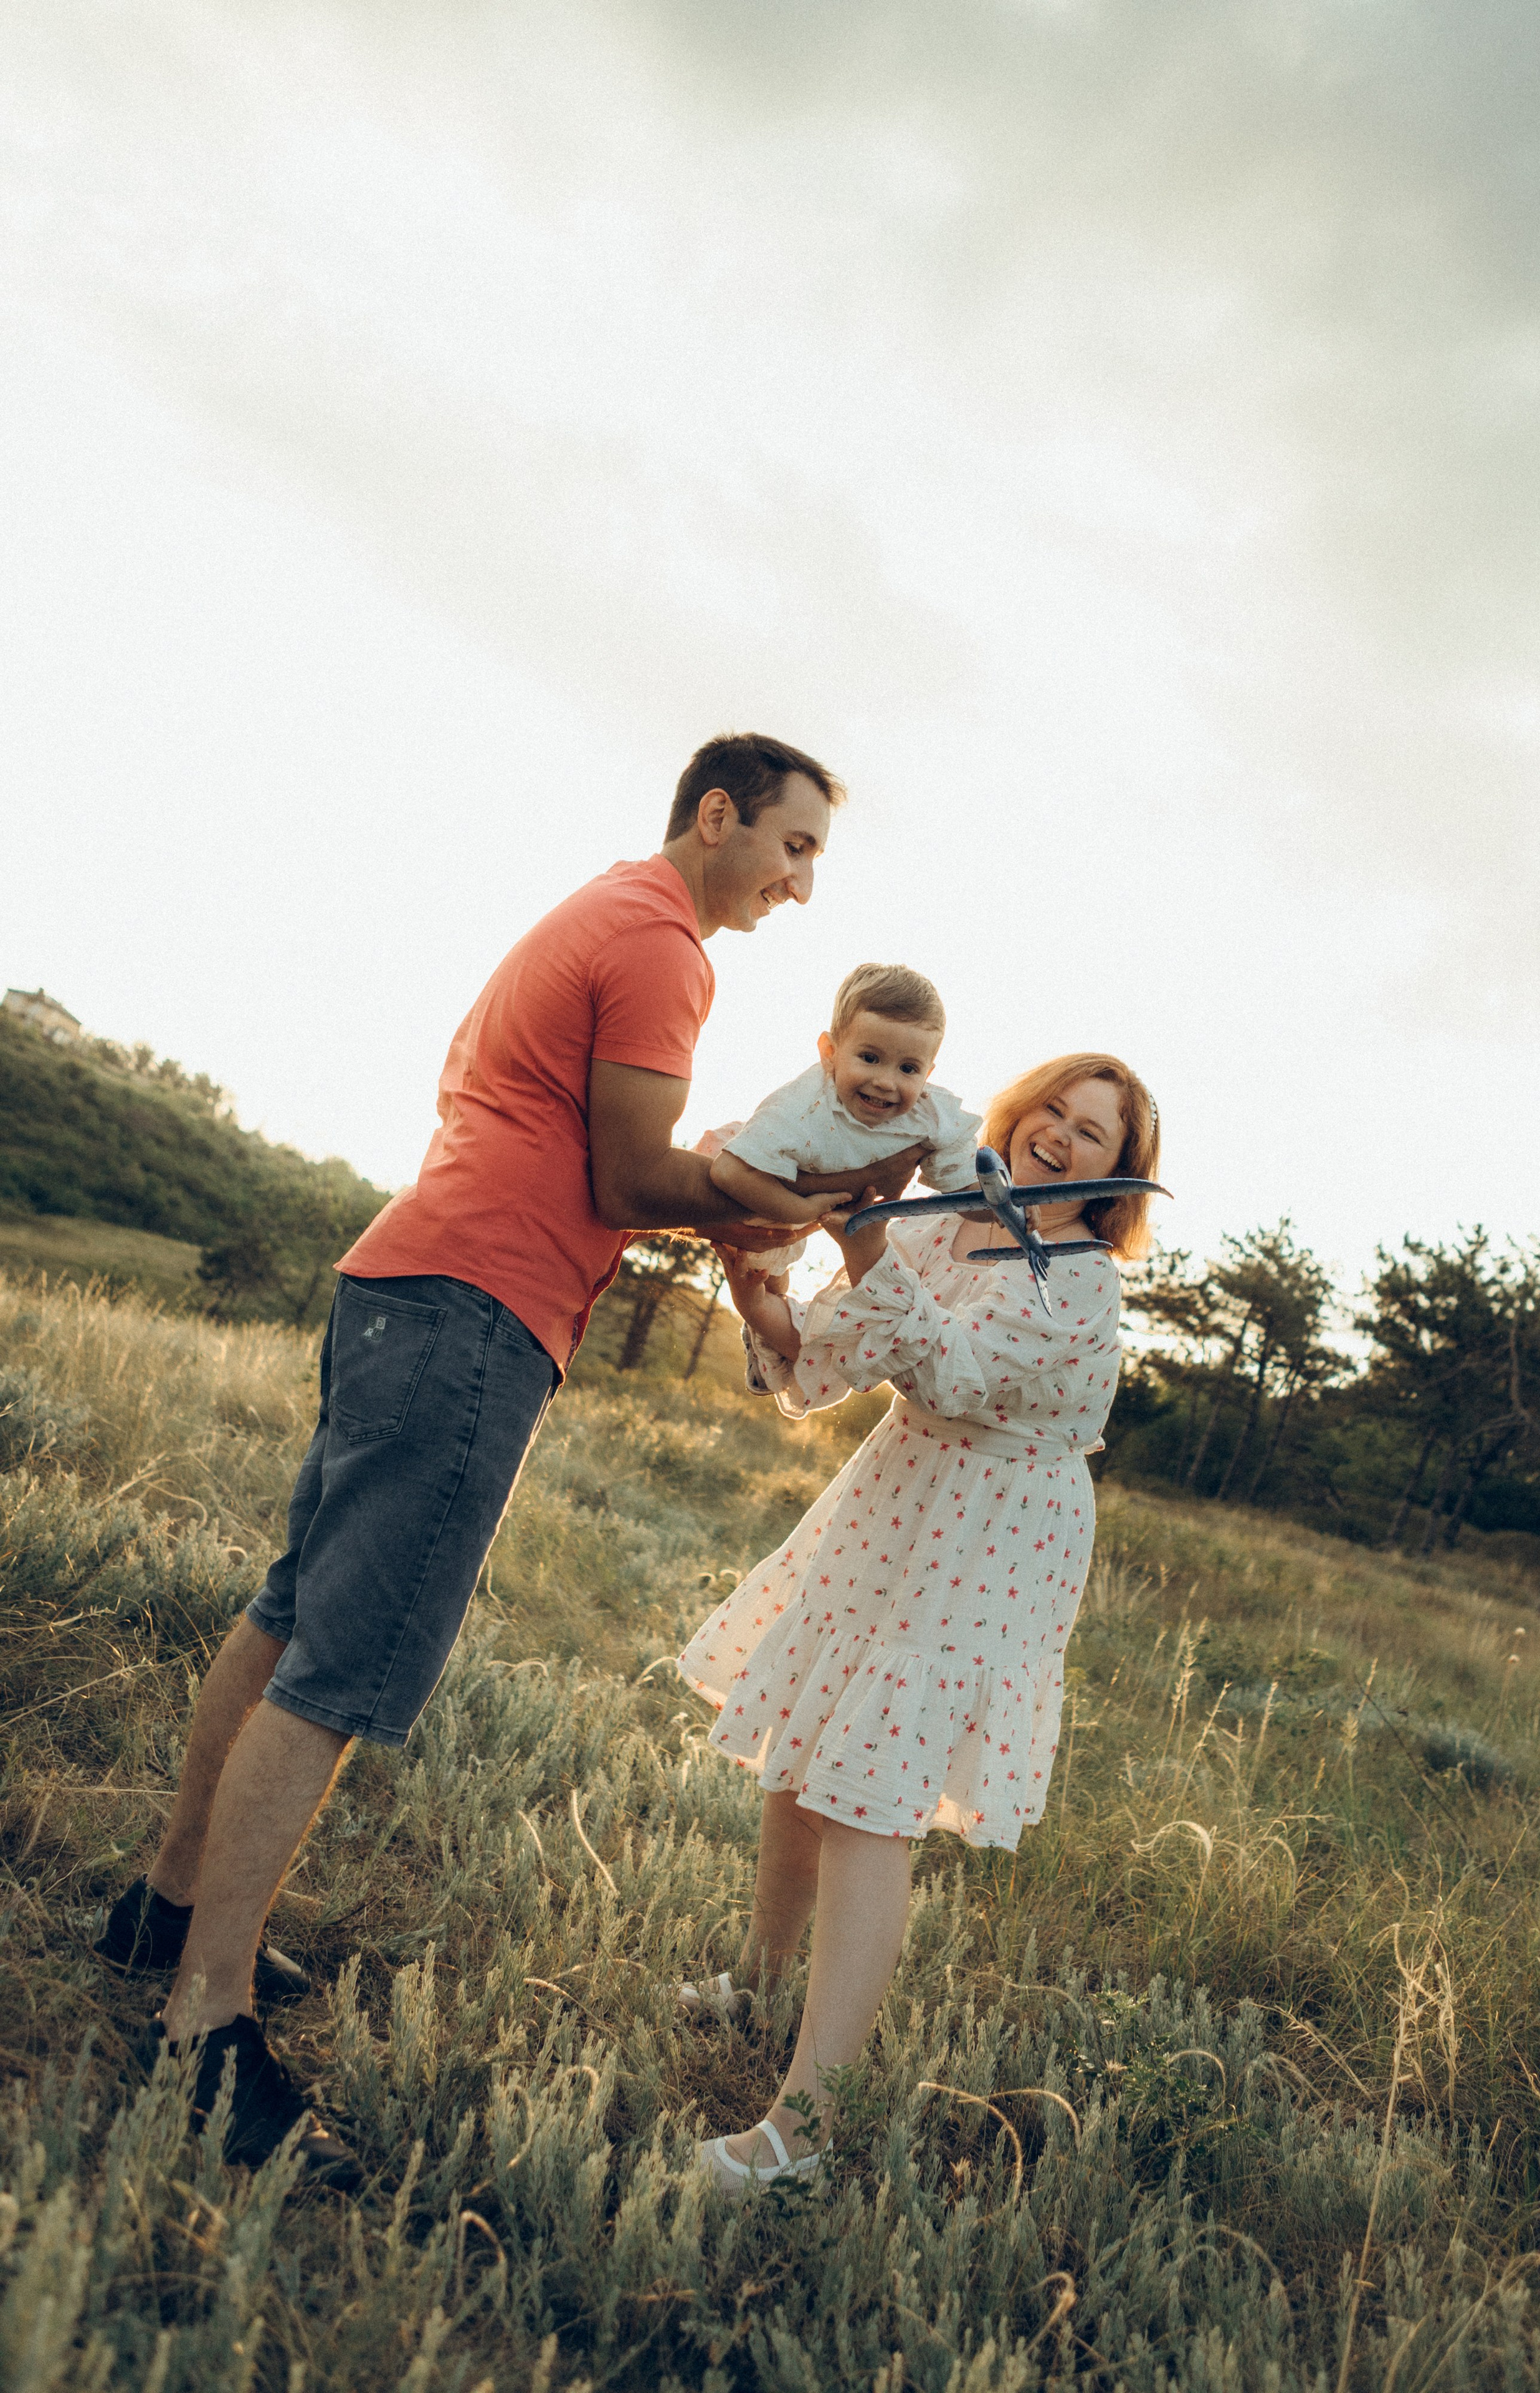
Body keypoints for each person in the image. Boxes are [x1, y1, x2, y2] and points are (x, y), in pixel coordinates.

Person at [94, 732, 931, 2185]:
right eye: (793, 847)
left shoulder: (603, 911)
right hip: (477, 1305)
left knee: (292, 1609)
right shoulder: (662, 942)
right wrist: (779, 1195)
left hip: (410, 1276)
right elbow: (625, 1176)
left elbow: (599, 1155)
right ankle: (202, 2016)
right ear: (718, 813)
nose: (801, 886)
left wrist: (737, 1196)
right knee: (341, 1663)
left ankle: (165, 1912)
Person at [677, 1051, 1160, 2194]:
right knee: (803, 1747)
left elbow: (948, 1368)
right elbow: (838, 1358)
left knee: (870, 1796)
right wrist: (768, 1308)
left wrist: (866, 1247)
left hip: (993, 1530)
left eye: (1091, 1134)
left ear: (1113, 1181)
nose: (1057, 1134)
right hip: (898, 1495)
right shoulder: (950, 1220)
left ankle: (805, 2127)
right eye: (1051, 1107)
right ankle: (758, 1982)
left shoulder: (1079, 1279)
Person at [700, 963, 981, 1280]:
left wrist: (1006, 1210)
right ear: (830, 1051)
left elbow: (966, 1190)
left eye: (908, 1069)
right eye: (870, 1059)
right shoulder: (801, 1106)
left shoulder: (932, 1115)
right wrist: (801, 1210)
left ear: (928, 1074)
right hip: (757, 1173)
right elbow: (729, 1171)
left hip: (806, 1201)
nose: (886, 1082)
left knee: (767, 1285)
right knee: (755, 1274)